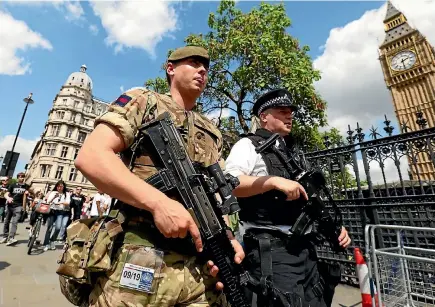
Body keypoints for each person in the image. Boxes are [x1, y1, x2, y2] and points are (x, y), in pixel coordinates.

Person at [75, 45, 244, 306]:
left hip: (199, 273)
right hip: (141, 259)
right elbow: (92, 156)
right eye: (194, 62)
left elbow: (213, 193)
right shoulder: (144, 101)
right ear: (170, 68)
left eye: (206, 68)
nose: (202, 70)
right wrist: (159, 203)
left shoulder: (212, 131)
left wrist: (227, 237)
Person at [225, 89, 351, 307]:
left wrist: (336, 228)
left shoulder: (293, 152)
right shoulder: (248, 145)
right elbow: (230, 183)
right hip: (273, 252)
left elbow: (311, 200)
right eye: (282, 112)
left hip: (305, 250)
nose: (289, 116)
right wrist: (273, 181)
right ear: (264, 116)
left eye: (290, 112)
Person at [1, 172, 29, 245]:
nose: (21, 178)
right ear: (17, 178)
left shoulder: (26, 186)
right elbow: (6, 193)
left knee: (15, 222)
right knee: (7, 221)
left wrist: (27, 193)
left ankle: (11, 238)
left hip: (19, 206)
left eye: (23, 176)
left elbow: (31, 194)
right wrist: (8, 198)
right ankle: (5, 236)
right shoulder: (12, 185)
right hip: (10, 205)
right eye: (20, 176)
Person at [42, 180, 71, 251]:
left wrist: (60, 202)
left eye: (61, 186)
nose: (59, 188)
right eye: (58, 186)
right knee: (50, 228)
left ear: (64, 187)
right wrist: (54, 197)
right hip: (52, 211)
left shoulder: (66, 194)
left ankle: (52, 240)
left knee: (58, 227)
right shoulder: (53, 192)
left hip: (60, 211)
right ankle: (46, 244)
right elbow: (48, 201)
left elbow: (68, 202)